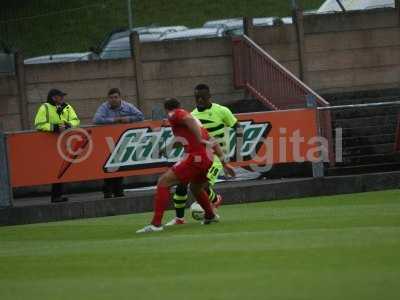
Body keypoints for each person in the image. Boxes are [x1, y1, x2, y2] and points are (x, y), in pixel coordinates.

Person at [136, 98, 235, 233]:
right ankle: (210, 216)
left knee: (163, 182)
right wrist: (225, 163)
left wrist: (199, 138)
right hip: (208, 158)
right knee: (196, 187)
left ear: (167, 110)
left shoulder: (176, 113)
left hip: (195, 158)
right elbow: (212, 141)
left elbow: (187, 121)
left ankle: (156, 224)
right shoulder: (196, 123)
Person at [165, 83, 243, 226]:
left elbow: (237, 127)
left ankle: (214, 200)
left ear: (209, 97)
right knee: (181, 183)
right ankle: (179, 219)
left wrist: (238, 149)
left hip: (216, 157)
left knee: (201, 185)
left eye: (203, 97)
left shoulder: (222, 111)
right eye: (197, 98)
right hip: (198, 155)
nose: (199, 100)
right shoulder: (192, 115)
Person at [93, 87, 144, 198]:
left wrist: (129, 119)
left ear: (120, 97)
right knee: (109, 166)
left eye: (116, 97)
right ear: (108, 99)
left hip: (122, 140)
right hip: (108, 142)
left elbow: (140, 116)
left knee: (120, 166)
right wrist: (114, 120)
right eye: (111, 98)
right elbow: (96, 119)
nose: (113, 100)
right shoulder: (104, 107)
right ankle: (107, 190)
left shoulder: (127, 106)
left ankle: (118, 190)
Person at [34, 88, 80, 203]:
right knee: (55, 169)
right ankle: (56, 196)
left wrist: (68, 125)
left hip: (63, 143)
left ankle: (57, 195)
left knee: (61, 169)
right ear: (54, 97)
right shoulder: (44, 107)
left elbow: (76, 120)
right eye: (60, 96)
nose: (63, 98)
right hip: (50, 144)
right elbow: (39, 124)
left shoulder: (66, 107)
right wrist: (54, 128)